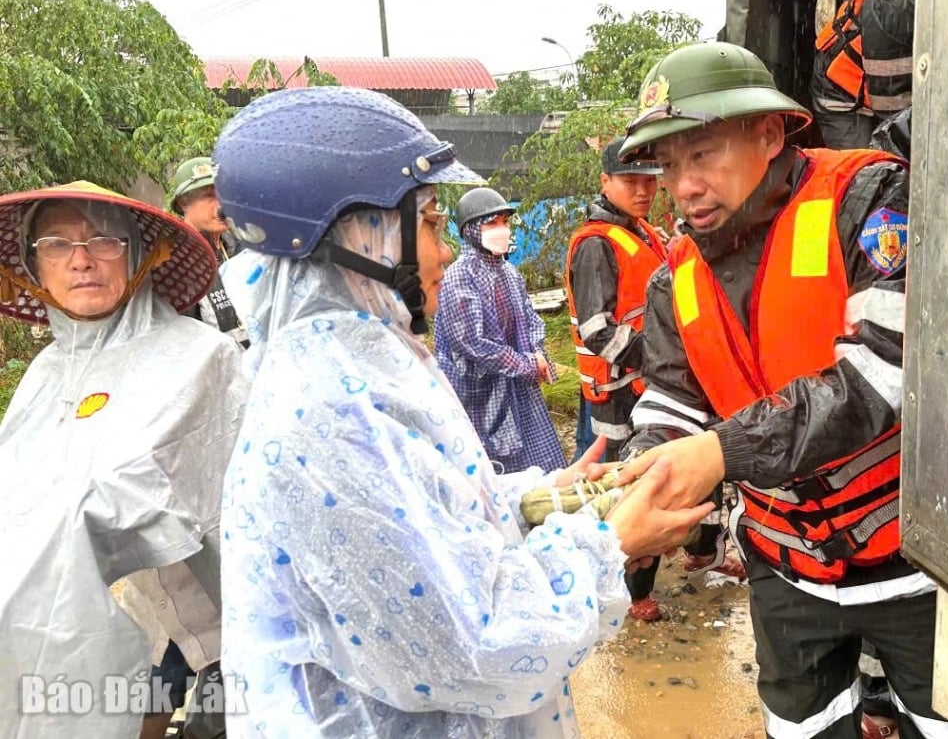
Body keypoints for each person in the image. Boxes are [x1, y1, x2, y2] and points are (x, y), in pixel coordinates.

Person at [211, 86, 712, 737]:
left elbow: (422, 517)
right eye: (428, 222)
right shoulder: (331, 411)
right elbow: (479, 643)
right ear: (359, 233)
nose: (444, 250)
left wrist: (539, 500)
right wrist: (607, 544)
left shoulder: (355, 362)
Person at [610, 41, 948, 739]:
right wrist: (650, 474)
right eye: (669, 165)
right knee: (802, 728)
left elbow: (883, 376)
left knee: (946, 725)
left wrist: (721, 452)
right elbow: (672, 402)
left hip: (914, 567)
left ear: (770, 134)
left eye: (703, 153)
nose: (683, 186)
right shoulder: (673, 277)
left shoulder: (866, 202)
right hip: (785, 568)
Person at [0, 181, 247, 737]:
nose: (81, 260)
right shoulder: (46, 371)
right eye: (56, 244)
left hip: (218, 624)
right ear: (34, 268)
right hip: (119, 611)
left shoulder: (197, 356)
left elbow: (132, 492)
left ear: (139, 256)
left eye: (103, 241)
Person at [564, 137, 671, 621]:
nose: (643, 190)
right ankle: (626, 591)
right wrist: (660, 358)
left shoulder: (642, 231)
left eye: (650, 180)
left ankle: (646, 573)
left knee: (649, 475)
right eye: (631, 181)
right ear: (605, 182)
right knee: (623, 486)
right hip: (618, 393)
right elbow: (597, 329)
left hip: (646, 382)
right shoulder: (596, 244)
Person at [434, 187, 565, 473]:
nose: (502, 229)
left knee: (534, 459)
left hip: (517, 383)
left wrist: (537, 353)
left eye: (505, 222)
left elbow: (530, 319)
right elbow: (471, 342)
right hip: (476, 390)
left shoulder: (509, 272)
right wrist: (526, 364)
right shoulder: (459, 276)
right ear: (470, 230)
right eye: (491, 223)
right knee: (486, 464)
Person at [811, 0, 917, 149]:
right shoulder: (897, 4)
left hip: (880, 69)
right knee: (871, 165)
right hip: (840, 93)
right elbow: (890, 110)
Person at [168, 155, 249, 347]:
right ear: (183, 202)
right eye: (209, 196)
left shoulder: (241, 249)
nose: (221, 206)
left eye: (224, 195)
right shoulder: (173, 262)